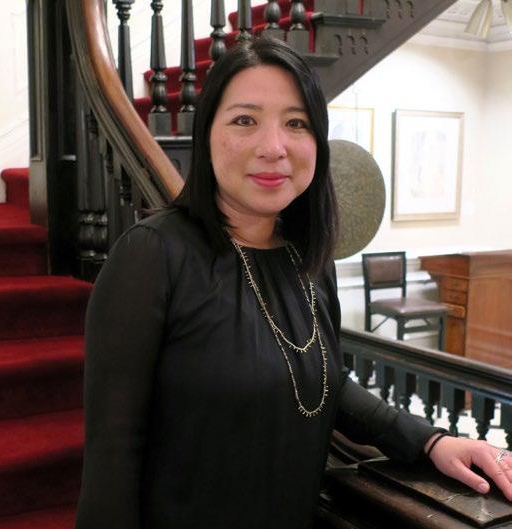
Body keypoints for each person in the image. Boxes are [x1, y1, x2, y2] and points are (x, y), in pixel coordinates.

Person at [74, 37, 512, 529]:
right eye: (244, 120)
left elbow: (326, 384)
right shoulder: (152, 255)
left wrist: (430, 441)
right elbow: (112, 458)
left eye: (296, 123)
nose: (273, 147)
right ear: (207, 133)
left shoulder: (309, 258)